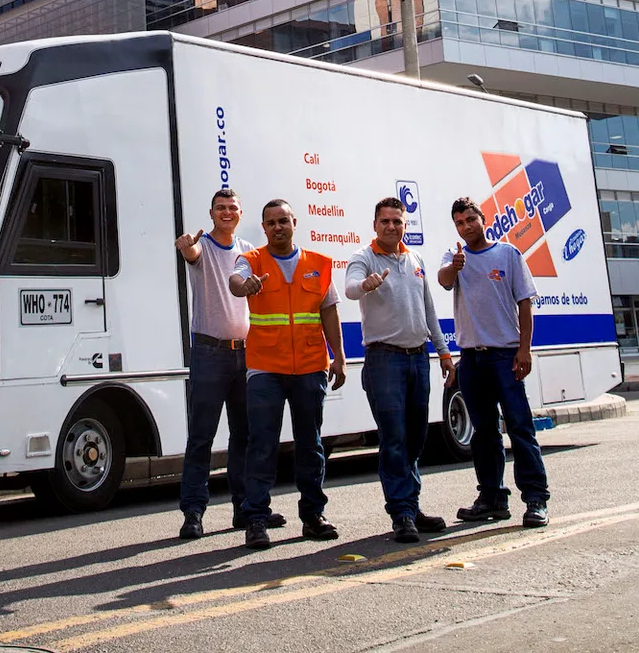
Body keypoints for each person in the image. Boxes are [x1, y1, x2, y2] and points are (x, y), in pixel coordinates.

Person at [229, 198, 346, 550]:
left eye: (283, 221)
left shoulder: (319, 265)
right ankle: (257, 519)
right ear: (263, 228)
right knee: (262, 444)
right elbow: (236, 281)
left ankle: (313, 516)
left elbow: (329, 312)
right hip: (266, 368)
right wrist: (244, 287)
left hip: (310, 366)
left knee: (310, 445)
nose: (278, 227)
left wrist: (338, 357)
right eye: (271, 223)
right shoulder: (251, 261)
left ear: (295, 222)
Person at [174, 188, 287, 539]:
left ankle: (245, 508)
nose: (227, 213)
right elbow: (190, 253)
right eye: (220, 208)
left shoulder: (247, 253)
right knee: (202, 437)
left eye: (232, 208)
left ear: (240, 214)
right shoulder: (203, 247)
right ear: (211, 214)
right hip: (210, 353)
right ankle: (193, 512)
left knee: (245, 436)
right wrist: (185, 247)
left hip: (246, 354)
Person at [346, 196, 456, 543]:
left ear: (404, 225)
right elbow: (349, 288)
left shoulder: (415, 259)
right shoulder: (363, 258)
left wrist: (443, 352)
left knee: (416, 437)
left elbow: (428, 308)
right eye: (385, 221)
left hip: (418, 358)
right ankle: (402, 512)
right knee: (393, 438)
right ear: (374, 225)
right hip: (384, 360)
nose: (391, 226)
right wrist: (366, 285)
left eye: (398, 221)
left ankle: (411, 503)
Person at [437, 196, 550, 529]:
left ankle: (536, 499)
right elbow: (444, 280)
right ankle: (492, 498)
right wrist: (454, 266)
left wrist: (524, 349)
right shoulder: (454, 256)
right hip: (471, 358)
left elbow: (525, 304)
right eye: (459, 222)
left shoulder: (508, 254)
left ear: (483, 219)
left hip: (505, 354)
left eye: (471, 219)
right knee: (483, 432)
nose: (466, 226)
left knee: (519, 426)